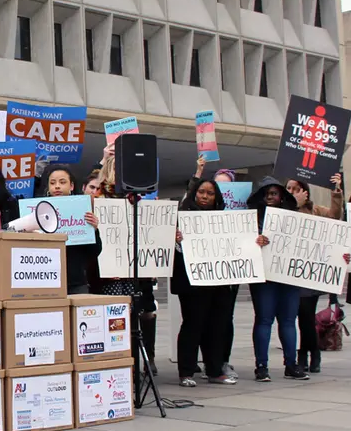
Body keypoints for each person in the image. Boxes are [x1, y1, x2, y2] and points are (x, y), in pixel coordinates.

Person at [94, 146, 159, 373]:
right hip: (110, 276)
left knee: (136, 318)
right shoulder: (97, 198)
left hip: (133, 274)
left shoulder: (136, 200)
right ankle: (116, 364)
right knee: (113, 322)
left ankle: (135, 363)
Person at [172, 179, 237, 387]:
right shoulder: (181, 217)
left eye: (210, 193)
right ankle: (186, 371)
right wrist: (177, 240)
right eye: (201, 192)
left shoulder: (224, 219)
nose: (205, 197)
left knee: (217, 326)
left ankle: (215, 370)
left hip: (218, 281)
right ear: (194, 193)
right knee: (193, 324)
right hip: (192, 282)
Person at [247, 177, 308, 382]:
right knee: (264, 319)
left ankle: (291, 364)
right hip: (264, 277)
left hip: (288, 276)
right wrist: (256, 241)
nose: (270, 197)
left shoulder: (294, 218)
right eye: (266, 193)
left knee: (289, 321)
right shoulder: (251, 219)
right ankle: (262, 366)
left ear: (281, 196)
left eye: (274, 193)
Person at [288, 175, 344, 373]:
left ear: (305, 191)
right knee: (298, 318)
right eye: (288, 188)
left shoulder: (315, 210)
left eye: (295, 189)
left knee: (305, 316)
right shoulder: (283, 210)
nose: (291, 192)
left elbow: (334, 217)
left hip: (309, 273)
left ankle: (306, 355)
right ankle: (310, 354)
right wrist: (293, 205)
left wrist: (336, 191)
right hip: (289, 271)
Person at [40, 164, 101, 295]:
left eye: (62, 182)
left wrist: (94, 230)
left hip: (75, 282)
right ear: (48, 187)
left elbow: (94, 252)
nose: (57, 186)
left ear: (71, 186)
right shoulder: (36, 212)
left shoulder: (82, 211)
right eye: (52, 182)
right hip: (45, 280)